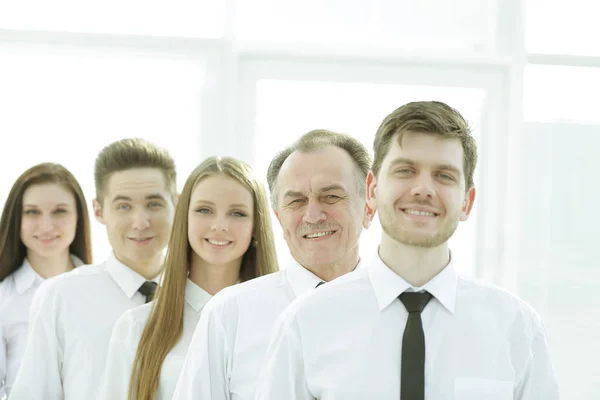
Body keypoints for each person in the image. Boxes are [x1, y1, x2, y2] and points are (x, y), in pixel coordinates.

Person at [254, 101, 560, 400]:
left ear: (467, 201)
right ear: (373, 189)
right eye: (405, 170)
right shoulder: (305, 323)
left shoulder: (517, 328)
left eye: (444, 175)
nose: (423, 189)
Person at [172, 129, 374, 400]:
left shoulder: (404, 314)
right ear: (279, 217)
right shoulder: (228, 315)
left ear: (369, 207)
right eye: (296, 201)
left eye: (331, 196)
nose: (313, 215)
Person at [97, 156, 279, 400]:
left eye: (237, 213)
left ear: (256, 225)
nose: (219, 225)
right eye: (204, 210)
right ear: (184, 216)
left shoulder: (282, 322)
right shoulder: (136, 327)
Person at [10, 138, 178, 399]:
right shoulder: (60, 298)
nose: (140, 222)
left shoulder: (204, 299)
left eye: (153, 204)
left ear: (176, 203)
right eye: (124, 206)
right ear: (99, 211)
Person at [0, 163, 92, 398]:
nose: (47, 226)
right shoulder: (4, 299)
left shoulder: (101, 289)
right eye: (32, 212)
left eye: (59, 211)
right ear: (16, 218)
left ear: (78, 217)